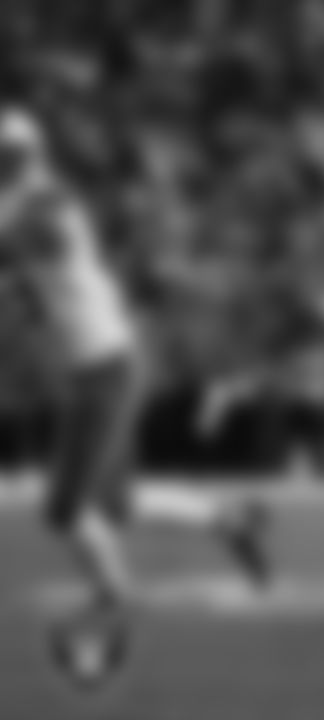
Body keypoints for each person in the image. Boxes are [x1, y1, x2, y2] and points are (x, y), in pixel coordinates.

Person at [0, 108, 270, 686]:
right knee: (114, 505)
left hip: (103, 370)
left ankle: (117, 602)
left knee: (65, 511)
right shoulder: (33, 204)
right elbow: (27, 280)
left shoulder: (41, 207)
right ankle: (227, 519)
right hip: (99, 366)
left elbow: (27, 243)